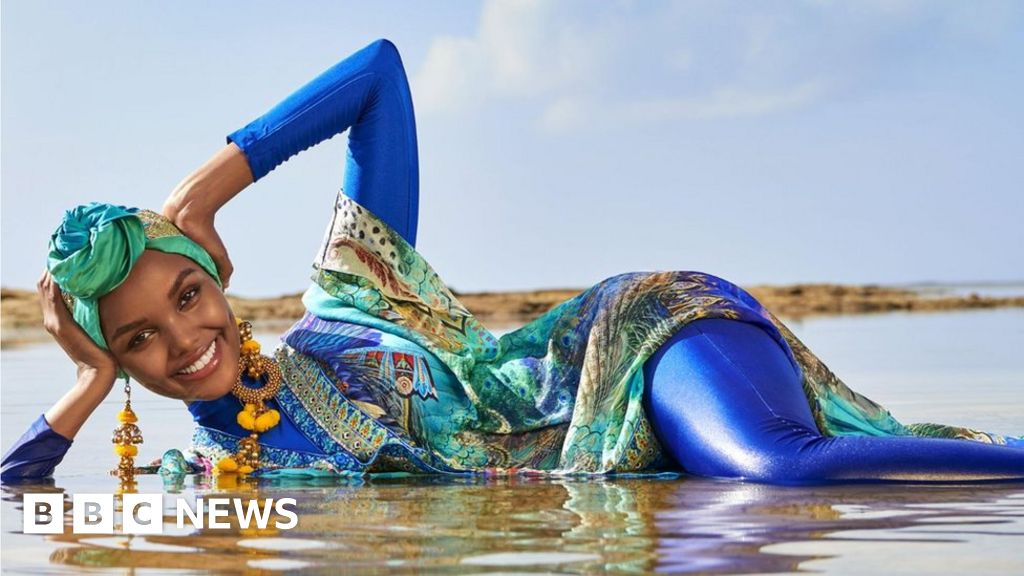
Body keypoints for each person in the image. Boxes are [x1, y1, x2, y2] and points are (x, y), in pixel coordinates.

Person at [3, 39, 1022, 485]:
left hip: (641, 346)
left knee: (773, 474)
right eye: (138, 337)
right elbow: (14, 493)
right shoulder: (217, 471)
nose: (185, 339)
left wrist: (202, 195)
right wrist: (86, 383)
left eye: (188, 295)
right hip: (641, 452)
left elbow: (377, 78)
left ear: (218, 279)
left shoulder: (357, 298)